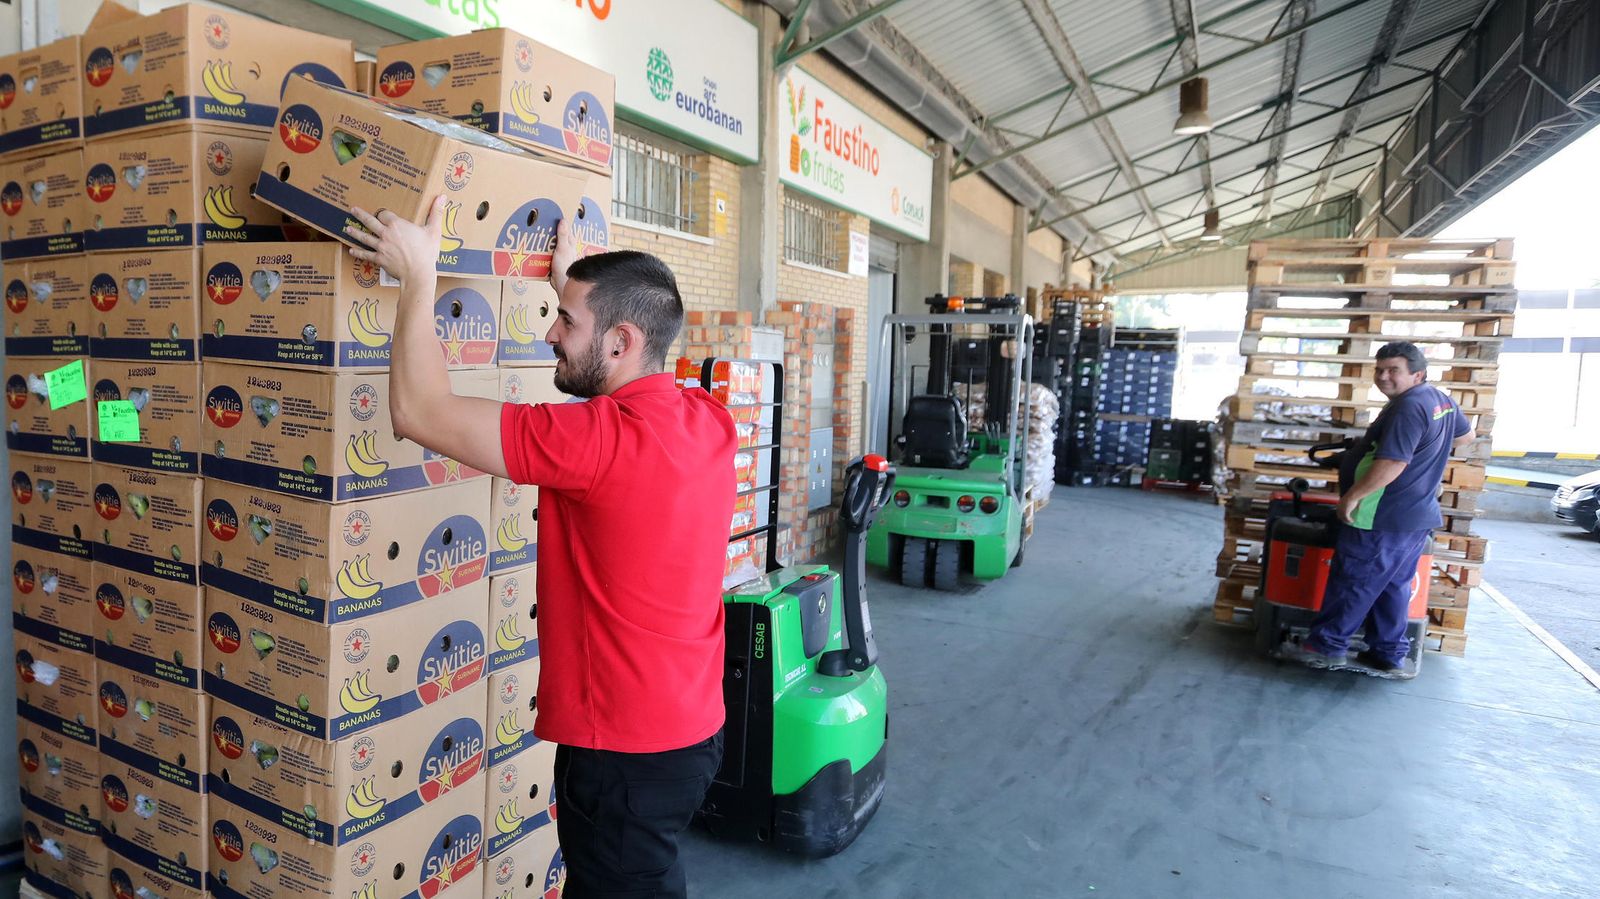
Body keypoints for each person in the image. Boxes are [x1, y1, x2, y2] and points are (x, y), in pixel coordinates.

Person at [344, 197, 736, 897]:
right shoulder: (707, 421)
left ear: (619, 342)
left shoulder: (592, 442)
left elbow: (418, 411)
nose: (553, 333)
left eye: (566, 321)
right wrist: (576, 285)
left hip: (623, 758)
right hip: (691, 735)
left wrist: (417, 275)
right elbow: (620, 346)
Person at [1279, 341, 1475, 679]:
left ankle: (1327, 646)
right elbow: (1464, 437)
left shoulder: (1409, 406)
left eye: (1393, 370)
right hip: (1415, 515)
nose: (1383, 377)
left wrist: (1353, 496)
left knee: (1355, 580)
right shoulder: (1438, 400)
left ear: (1417, 374)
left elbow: (1394, 461)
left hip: (1380, 514)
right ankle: (1387, 652)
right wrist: (1424, 458)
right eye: (1379, 369)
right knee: (1393, 585)